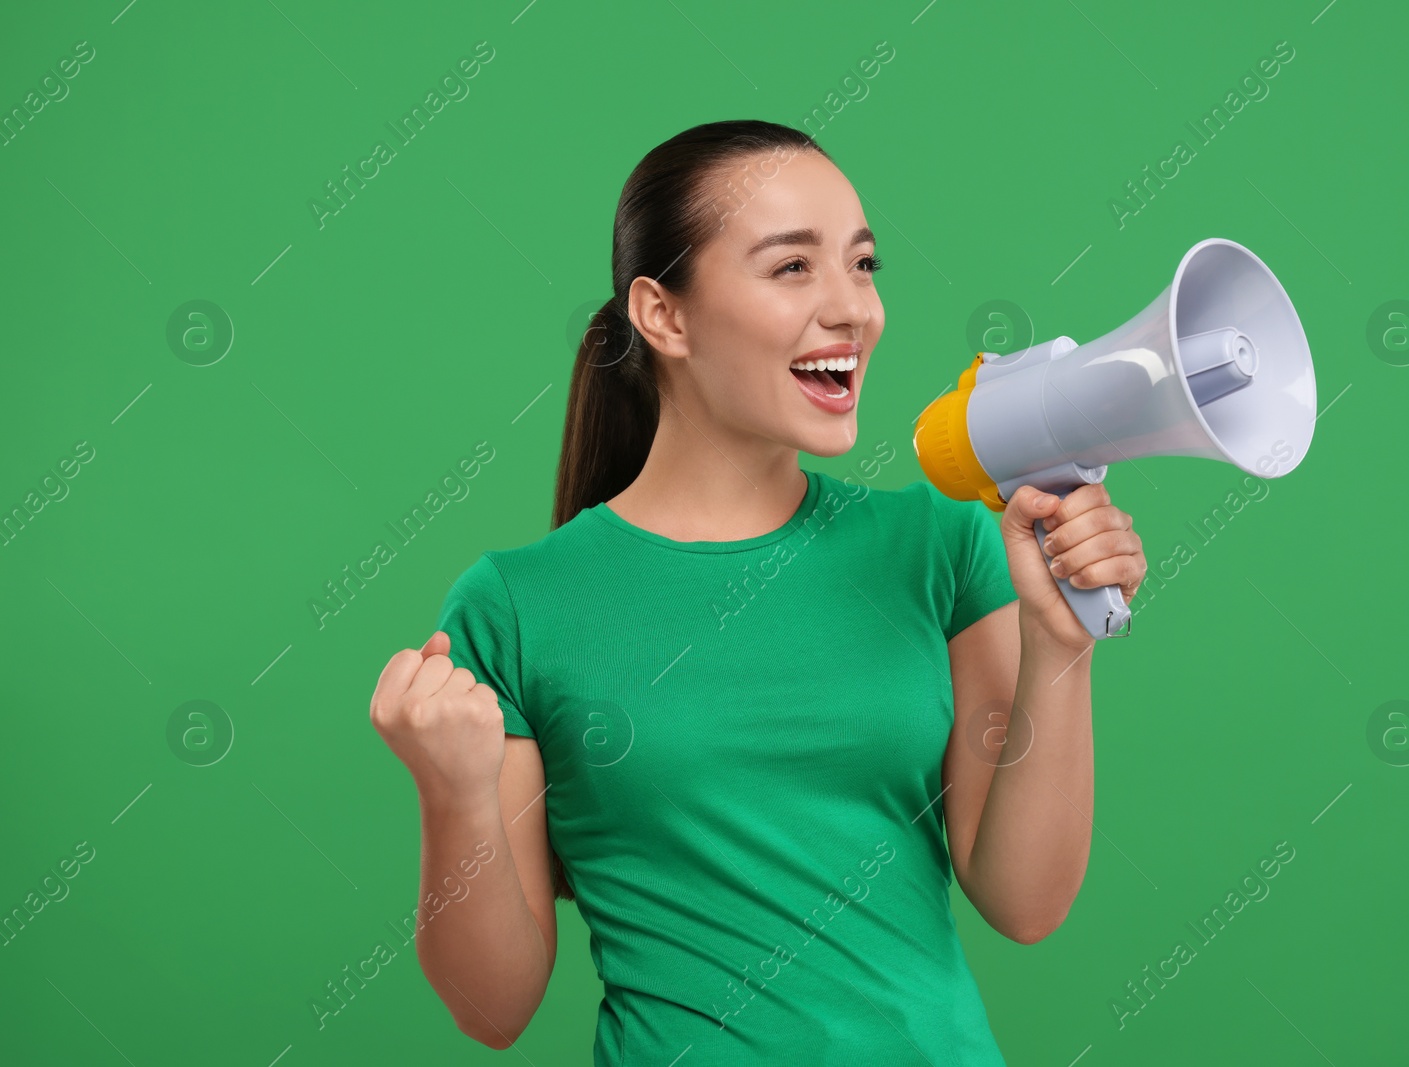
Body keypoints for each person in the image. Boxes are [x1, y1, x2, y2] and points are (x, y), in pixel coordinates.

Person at [369, 119, 1147, 1064]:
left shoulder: (939, 546)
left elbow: (1026, 902)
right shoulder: (518, 605)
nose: (853, 309)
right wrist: (453, 794)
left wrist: (1061, 648)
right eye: (792, 268)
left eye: (863, 265)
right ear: (664, 315)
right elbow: (494, 1008)